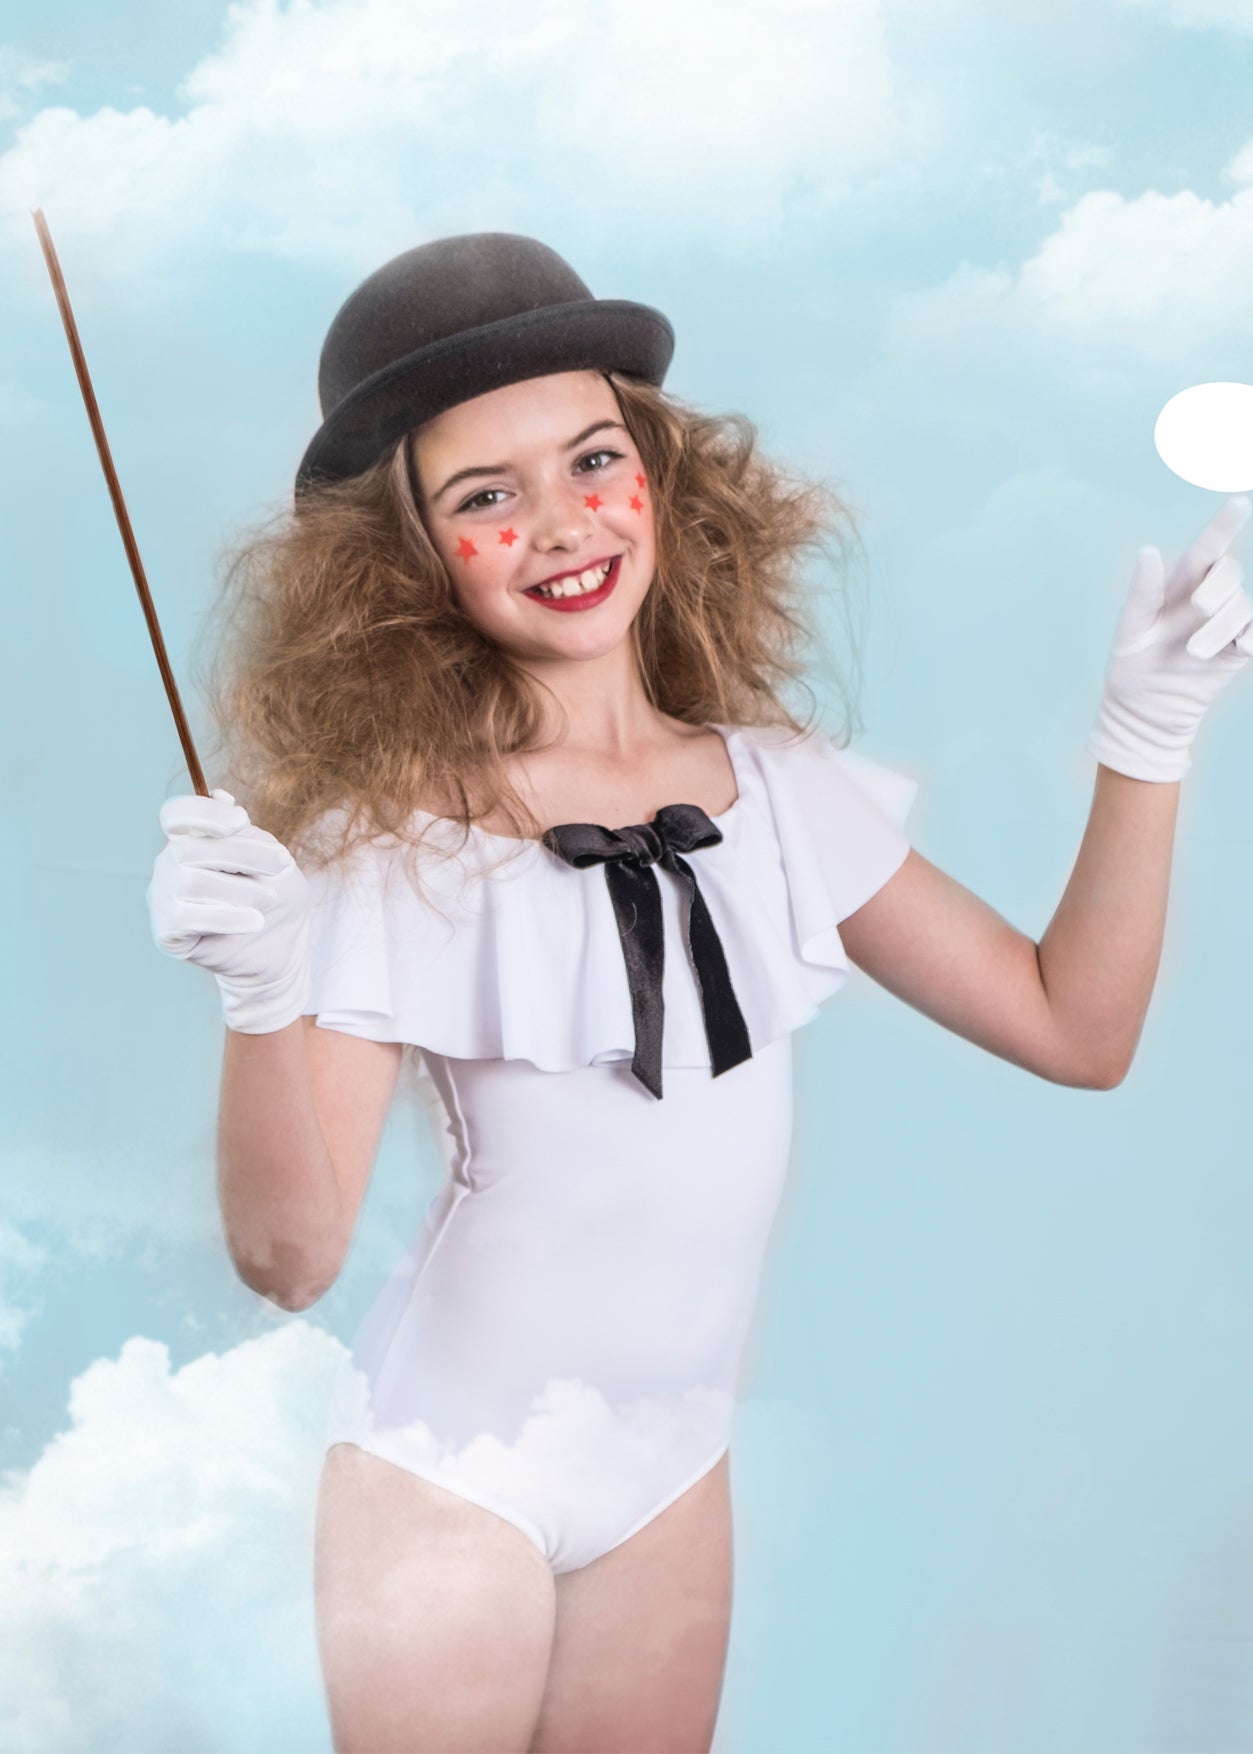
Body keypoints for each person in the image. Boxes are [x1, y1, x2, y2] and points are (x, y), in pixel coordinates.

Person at [146, 232, 1253, 1754]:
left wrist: (1148, 740)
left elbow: (1077, 1030)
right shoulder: (389, 843)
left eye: (591, 457)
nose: (558, 523)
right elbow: (288, 1255)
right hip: (447, 1469)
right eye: (484, 495)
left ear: (659, 472)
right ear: (399, 560)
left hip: (671, 1469)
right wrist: (263, 996)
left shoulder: (781, 796)